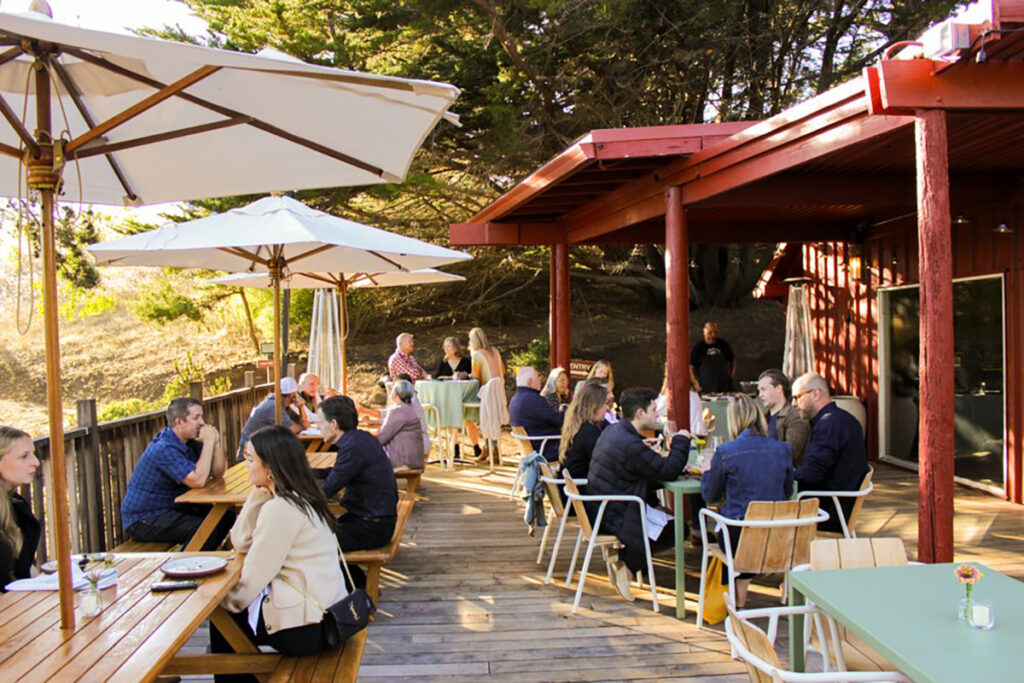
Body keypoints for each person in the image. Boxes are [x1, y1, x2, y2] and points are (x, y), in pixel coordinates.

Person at [211, 425, 347, 681]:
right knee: (230, 618)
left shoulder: (281, 509)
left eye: (251, 460)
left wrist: (215, 603)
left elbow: (252, 578)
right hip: (329, 615)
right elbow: (240, 542)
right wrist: (258, 493)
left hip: (304, 628)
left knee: (224, 617)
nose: (245, 465)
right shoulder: (304, 497)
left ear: (271, 468)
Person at [587, 387, 690, 601]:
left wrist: (644, 449)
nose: (657, 415)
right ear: (640, 414)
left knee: (665, 513)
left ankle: (626, 559)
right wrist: (681, 440)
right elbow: (668, 471)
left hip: (601, 508)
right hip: (617, 514)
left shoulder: (615, 432)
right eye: (653, 410)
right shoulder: (630, 444)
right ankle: (628, 564)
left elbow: (633, 464)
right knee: (680, 529)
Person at [699, 393, 793, 607]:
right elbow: (787, 492)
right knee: (745, 526)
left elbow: (709, 496)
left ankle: (737, 598)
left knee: (728, 525)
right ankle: (741, 595)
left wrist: (707, 472)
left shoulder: (725, 451)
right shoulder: (782, 450)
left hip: (738, 539)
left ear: (734, 419)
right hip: (777, 536)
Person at [121, 398, 233, 550]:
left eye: (201, 416)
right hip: (144, 519)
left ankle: (205, 560)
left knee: (226, 517)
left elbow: (218, 473)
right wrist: (208, 442)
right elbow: (198, 481)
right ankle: (188, 568)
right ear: (179, 422)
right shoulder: (164, 449)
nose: (202, 422)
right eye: (196, 418)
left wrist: (216, 443)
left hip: (172, 509)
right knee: (203, 530)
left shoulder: (189, 442)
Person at [315, 396, 399, 556]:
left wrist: (293, 485)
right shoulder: (361, 438)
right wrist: (305, 473)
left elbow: (325, 491)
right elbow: (336, 472)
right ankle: (355, 580)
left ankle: (356, 581)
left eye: (320, 421)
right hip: (375, 520)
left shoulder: (352, 447)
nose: (318, 426)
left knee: (310, 544)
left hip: (372, 527)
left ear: (333, 424)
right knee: (316, 537)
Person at [791, 372, 869, 533]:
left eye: (797, 397)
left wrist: (780, 475)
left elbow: (811, 475)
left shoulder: (828, 425)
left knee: (764, 510)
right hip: (841, 505)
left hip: (828, 512)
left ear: (816, 394)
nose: (793, 404)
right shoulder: (844, 419)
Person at [0, 427, 41, 590]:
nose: (36, 462)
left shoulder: (17, 505)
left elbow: (26, 566)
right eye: (24, 456)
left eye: (33, 454)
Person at [238, 377, 304, 460]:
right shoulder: (274, 406)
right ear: (292, 395)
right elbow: (294, 429)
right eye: (296, 394)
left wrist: (301, 408)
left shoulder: (281, 405)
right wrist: (302, 426)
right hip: (249, 455)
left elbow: (303, 424)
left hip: (259, 451)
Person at [509, 366, 564, 461]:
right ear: (530, 382)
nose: (540, 380)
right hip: (545, 449)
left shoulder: (515, 399)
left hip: (534, 448)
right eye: (538, 378)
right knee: (581, 444)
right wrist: (569, 410)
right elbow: (558, 420)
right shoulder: (534, 400)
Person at [558, 381, 608, 484]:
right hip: (581, 491)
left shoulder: (576, 425)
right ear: (594, 406)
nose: (607, 408)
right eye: (604, 404)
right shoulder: (590, 432)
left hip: (569, 489)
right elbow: (603, 465)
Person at [466, 327, 505, 460]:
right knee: (493, 420)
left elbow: (476, 377)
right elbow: (503, 370)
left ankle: (491, 449)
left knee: (486, 420)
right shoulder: (495, 351)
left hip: (488, 392)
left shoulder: (477, 355)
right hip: (499, 390)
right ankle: (491, 448)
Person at [757, 369, 810, 466]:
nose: (760, 395)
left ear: (779, 389)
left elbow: (791, 452)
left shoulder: (796, 416)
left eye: (763, 390)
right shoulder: (761, 418)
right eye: (759, 391)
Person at [376, 379, 427, 471]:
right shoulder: (409, 407)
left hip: (403, 460)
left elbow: (382, 437)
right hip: (414, 459)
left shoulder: (398, 410)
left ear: (396, 393)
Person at [690, 322, 737, 393]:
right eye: (710, 333)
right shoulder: (698, 348)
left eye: (715, 332)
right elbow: (691, 366)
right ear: (704, 332)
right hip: (705, 386)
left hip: (724, 387)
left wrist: (731, 376)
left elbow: (733, 360)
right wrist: (695, 381)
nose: (713, 335)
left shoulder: (723, 344)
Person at [656, 370, 707, 435]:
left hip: (682, 438)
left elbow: (654, 413)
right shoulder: (694, 394)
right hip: (695, 438)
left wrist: (662, 392)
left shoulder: (675, 396)